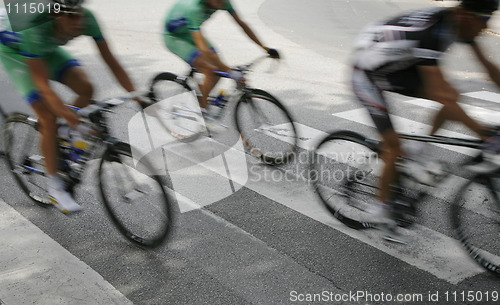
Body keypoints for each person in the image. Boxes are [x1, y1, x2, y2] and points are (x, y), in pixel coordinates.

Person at [351, 0, 500, 240]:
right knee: (394, 146)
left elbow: (488, 68)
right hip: (367, 74)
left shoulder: (459, 24)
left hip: (399, 66)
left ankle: (419, 150)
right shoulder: (432, 33)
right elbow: (440, 93)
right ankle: (379, 210)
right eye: (484, 20)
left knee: (451, 94)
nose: (486, 27)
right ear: (465, 16)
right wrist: (486, 135)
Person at [0, 0, 138, 213]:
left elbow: (112, 63)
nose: (79, 21)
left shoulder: (87, 19)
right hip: (16, 53)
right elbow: (44, 89)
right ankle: (55, 187)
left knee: (86, 88)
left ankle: (62, 134)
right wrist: (69, 116)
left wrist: (137, 96)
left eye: (80, 13)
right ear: (55, 15)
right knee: (48, 116)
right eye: (71, 16)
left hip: (45, 49)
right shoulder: (34, 26)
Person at [163, 0, 280, 123]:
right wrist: (230, 72)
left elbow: (242, 25)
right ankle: (202, 109)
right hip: (174, 37)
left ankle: (203, 98)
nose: (221, 2)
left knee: (217, 71)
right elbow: (204, 50)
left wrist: (264, 48)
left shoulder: (223, 2)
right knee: (211, 69)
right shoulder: (194, 9)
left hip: (190, 32)